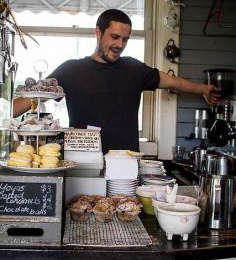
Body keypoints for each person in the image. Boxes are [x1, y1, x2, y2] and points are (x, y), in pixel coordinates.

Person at [13, 9, 220, 154]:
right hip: (83, 163)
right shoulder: (71, 69)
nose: (119, 44)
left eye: (125, 39)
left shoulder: (134, 69)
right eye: (114, 37)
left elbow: (173, 82)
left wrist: (203, 89)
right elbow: (33, 97)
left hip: (125, 166)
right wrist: (6, 112)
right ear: (98, 33)